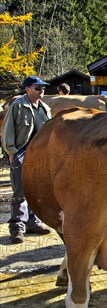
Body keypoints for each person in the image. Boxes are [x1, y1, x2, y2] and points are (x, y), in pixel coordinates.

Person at [1, 76, 52, 244]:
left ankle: (33, 223)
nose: (41, 90)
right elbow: (7, 130)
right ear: (27, 89)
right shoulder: (17, 105)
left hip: (40, 154)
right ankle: (17, 228)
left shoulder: (45, 108)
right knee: (20, 192)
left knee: (37, 191)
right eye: (37, 87)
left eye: (42, 87)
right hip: (21, 153)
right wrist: (12, 152)